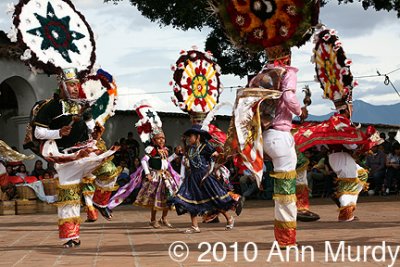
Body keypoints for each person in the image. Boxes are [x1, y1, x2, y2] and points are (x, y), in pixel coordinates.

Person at [33, 68, 116, 248]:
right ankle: (71, 237)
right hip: (65, 156)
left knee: (109, 170)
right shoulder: (51, 106)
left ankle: (99, 202)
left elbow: (88, 124)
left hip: (85, 151)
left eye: (76, 84)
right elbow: (38, 132)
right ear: (62, 85)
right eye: (71, 84)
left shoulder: (80, 105)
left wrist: (95, 129)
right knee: (69, 197)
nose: (74, 88)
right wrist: (58, 132)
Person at [249, 46, 307, 248]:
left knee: (284, 188)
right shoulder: (287, 72)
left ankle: (285, 238)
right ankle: (286, 239)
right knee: (286, 190)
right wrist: (300, 111)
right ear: (288, 55)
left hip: (263, 136)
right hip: (280, 136)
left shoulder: (261, 75)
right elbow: (289, 97)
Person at [108, 103, 181, 228]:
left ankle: (164, 218)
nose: (161, 140)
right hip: (155, 177)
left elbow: (166, 162)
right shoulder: (151, 150)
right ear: (153, 140)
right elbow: (143, 160)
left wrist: (175, 155)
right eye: (158, 139)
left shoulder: (165, 150)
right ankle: (153, 220)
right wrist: (147, 173)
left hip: (166, 177)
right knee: (155, 200)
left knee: (169, 198)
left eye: (163, 138)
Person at [169, 124, 236, 233]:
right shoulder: (190, 149)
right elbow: (185, 156)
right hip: (192, 178)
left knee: (215, 200)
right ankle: (194, 226)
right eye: (188, 137)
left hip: (205, 178)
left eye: (191, 136)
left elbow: (217, 156)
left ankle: (229, 218)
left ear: (198, 136)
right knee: (191, 201)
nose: (189, 139)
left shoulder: (206, 146)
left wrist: (220, 155)